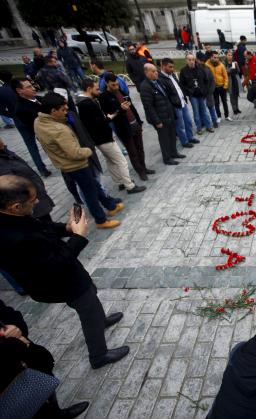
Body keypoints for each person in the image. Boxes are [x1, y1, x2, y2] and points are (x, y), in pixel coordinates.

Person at [0, 174, 130, 369]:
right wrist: (78, 236)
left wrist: (67, 228)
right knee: (89, 309)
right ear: (15, 207)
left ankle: (101, 321)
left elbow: (42, 227)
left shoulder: (13, 217)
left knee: (92, 296)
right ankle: (99, 356)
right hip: (61, 282)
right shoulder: (13, 238)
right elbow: (57, 264)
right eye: (32, 199)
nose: (36, 202)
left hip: (67, 274)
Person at [35, 92, 123, 228]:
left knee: (94, 185)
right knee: (90, 193)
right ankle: (101, 220)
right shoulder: (58, 130)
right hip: (76, 165)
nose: (66, 113)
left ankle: (110, 206)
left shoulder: (39, 121)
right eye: (63, 110)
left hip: (66, 164)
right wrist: (89, 150)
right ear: (53, 111)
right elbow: (75, 153)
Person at [0, 299, 89, 418]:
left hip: (27, 357)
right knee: (24, 408)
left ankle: (57, 413)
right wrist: (15, 343)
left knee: (44, 384)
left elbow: (9, 313)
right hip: (6, 379)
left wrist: (17, 328)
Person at [76, 79, 146, 194]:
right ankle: (130, 186)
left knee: (111, 161)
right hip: (103, 138)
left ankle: (120, 182)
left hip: (99, 138)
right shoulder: (87, 104)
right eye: (96, 89)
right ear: (89, 89)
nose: (99, 91)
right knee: (121, 161)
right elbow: (98, 122)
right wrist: (110, 117)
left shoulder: (84, 102)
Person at [100, 73, 154, 180]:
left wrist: (139, 122)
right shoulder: (104, 97)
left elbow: (132, 108)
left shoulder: (122, 91)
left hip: (134, 123)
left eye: (117, 84)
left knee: (140, 148)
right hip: (123, 128)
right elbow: (110, 115)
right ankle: (140, 171)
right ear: (107, 83)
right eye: (113, 85)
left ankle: (143, 167)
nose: (116, 87)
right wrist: (120, 109)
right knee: (132, 151)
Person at [140, 63, 185, 165]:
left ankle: (174, 153)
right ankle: (167, 158)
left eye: (156, 70)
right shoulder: (145, 87)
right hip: (160, 118)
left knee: (172, 135)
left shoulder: (158, 81)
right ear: (146, 72)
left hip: (168, 114)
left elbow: (166, 98)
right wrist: (157, 121)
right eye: (153, 71)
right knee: (164, 138)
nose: (156, 73)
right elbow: (149, 107)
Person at [10, 78, 52, 177]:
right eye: (29, 87)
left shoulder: (38, 99)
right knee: (32, 146)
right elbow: (34, 128)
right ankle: (41, 168)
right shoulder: (21, 108)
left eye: (32, 85)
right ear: (19, 91)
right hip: (28, 126)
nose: (33, 88)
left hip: (35, 125)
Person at [159, 58, 198, 148]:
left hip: (182, 102)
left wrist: (184, 97)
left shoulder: (172, 75)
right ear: (163, 66)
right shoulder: (161, 79)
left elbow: (179, 87)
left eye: (173, 67)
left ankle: (190, 137)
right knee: (180, 125)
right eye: (170, 67)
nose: (172, 69)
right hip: (175, 105)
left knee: (188, 122)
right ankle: (184, 141)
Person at [179, 53, 215, 135]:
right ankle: (199, 128)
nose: (191, 61)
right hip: (193, 95)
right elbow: (182, 85)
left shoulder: (200, 68)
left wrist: (205, 90)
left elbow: (206, 80)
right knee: (196, 112)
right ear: (186, 60)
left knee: (205, 111)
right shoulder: (183, 71)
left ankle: (208, 126)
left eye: (193, 59)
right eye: (189, 60)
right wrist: (188, 93)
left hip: (201, 94)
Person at [196, 52, 220, 128]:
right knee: (210, 107)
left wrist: (208, 91)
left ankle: (210, 122)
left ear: (198, 59)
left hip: (206, 92)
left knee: (206, 108)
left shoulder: (202, 69)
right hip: (207, 91)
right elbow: (213, 80)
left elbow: (210, 81)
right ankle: (213, 121)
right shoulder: (206, 68)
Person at [206, 54, 231, 122]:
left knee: (224, 102)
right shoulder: (207, 65)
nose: (216, 59)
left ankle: (227, 116)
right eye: (214, 57)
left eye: (217, 57)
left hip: (222, 86)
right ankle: (219, 116)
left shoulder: (221, 65)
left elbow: (225, 76)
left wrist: (225, 86)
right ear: (211, 57)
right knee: (216, 102)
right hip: (214, 87)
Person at [224, 50, 242, 115]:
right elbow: (226, 72)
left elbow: (239, 71)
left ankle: (237, 108)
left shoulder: (234, 62)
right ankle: (234, 109)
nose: (230, 56)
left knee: (236, 95)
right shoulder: (224, 63)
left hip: (236, 80)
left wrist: (237, 66)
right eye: (228, 55)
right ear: (226, 56)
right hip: (230, 81)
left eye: (231, 55)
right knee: (232, 96)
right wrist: (231, 69)